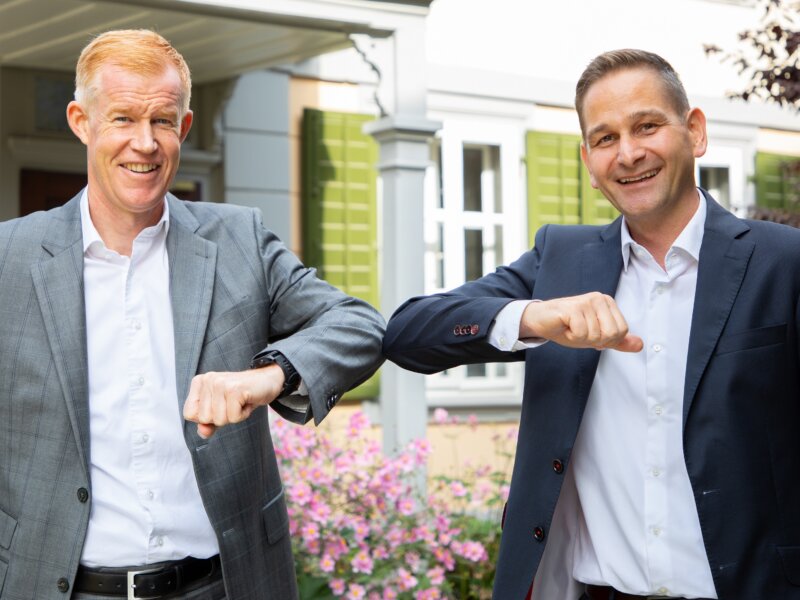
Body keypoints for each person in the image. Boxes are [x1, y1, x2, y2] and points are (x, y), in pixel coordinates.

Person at [383, 49, 800, 600]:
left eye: (647, 126)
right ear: (588, 161)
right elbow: (407, 332)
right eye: (605, 138)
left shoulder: (784, 262)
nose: (628, 154)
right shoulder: (560, 261)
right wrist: (533, 316)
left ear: (695, 131)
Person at [0, 29, 385, 600]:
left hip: (225, 584)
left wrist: (269, 375)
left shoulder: (240, 240)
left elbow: (359, 325)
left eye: (162, 121)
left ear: (183, 127)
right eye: (123, 119)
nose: (145, 143)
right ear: (82, 122)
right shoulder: (8, 258)